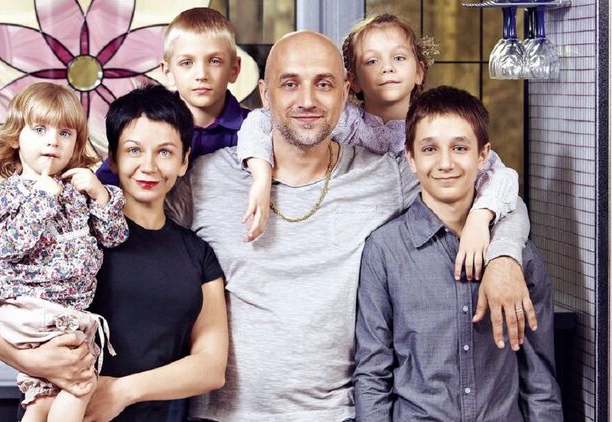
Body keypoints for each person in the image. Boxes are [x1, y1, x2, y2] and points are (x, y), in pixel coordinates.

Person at [166, 30, 534, 421]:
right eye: (290, 84)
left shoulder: (385, 176)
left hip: (338, 414)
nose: (307, 100)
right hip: (220, 416)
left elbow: (500, 189)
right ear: (264, 94)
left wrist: (504, 258)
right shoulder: (205, 179)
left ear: (344, 93)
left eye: (323, 84)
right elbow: (136, 230)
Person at [0, 85, 229, 422]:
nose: (148, 166)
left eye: (165, 152)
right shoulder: (77, 233)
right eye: (133, 150)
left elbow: (211, 368)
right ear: (113, 158)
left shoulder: (197, 255)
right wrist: (34, 362)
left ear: (184, 161)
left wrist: (121, 392)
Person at [238, 14, 518, 283]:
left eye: (399, 58)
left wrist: (480, 218)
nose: (387, 68)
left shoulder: (434, 131)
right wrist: (262, 177)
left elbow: (498, 175)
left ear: (419, 71)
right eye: (372, 61)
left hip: (423, 247)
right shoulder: (342, 120)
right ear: (353, 82)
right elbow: (261, 120)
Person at [354, 86, 562, 421]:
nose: (445, 163)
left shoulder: (517, 257)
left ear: (483, 156)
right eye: (429, 149)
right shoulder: (385, 251)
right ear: (411, 157)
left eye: (460, 148)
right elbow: (372, 374)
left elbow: (539, 382)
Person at [0, 82, 129, 422]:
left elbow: (114, 237)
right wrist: (42, 198)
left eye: (65, 133)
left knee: (43, 397)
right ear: (16, 137)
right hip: (32, 308)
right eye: (40, 130)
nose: (53, 141)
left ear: (76, 144)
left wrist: (100, 195)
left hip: (62, 311)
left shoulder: (77, 190)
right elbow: (8, 246)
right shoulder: (9, 194)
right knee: (82, 381)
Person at [96, 7, 248, 185]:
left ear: (234, 69)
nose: (201, 74)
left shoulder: (254, 128)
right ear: (168, 72)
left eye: (215, 61)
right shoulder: (146, 121)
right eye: (187, 62)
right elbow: (106, 183)